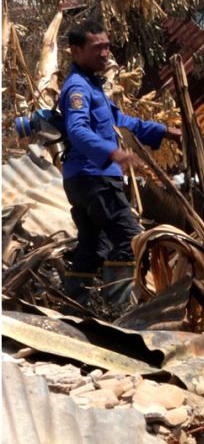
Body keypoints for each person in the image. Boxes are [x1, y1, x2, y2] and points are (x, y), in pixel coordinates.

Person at [58, 20, 181, 305]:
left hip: (86, 178)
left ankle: (76, 305)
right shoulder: (77, 88)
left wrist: (164, 131)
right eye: (96, 48)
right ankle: (121, 312)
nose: (105, 54)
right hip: (94, 177)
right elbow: (77, 130)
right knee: (130, 239)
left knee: (93, 245)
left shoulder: (92, 86)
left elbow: (120, 122)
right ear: (76, 51)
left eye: (107, 46)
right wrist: (111, 153)